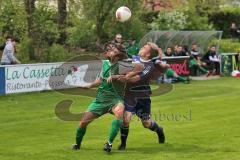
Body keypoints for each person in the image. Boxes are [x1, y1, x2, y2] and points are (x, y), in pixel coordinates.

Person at [72, 46, 127, 152]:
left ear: (118, 55)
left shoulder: (123, 66)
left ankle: (109, 144)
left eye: (113, 51)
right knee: (83, 123)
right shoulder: (104, 63)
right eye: (110, 50)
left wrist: (116, 77)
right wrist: (88, 86)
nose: (110, 52)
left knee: (119, 112)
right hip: (101, 100)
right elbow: (100, 80)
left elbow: (127, 79)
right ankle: (77, 145)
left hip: (116, 99)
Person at [117, 42, 166, 150]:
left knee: (146, 123)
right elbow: (124, 61)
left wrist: (126, 79)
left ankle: (159, 130)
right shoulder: (134, 58)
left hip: (142, 97)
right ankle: (123, 145)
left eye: (144, 48)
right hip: (130, 95)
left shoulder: (150, 66)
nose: (141, 48)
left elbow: (136, 79)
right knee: (126, 119)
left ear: (148, 54)